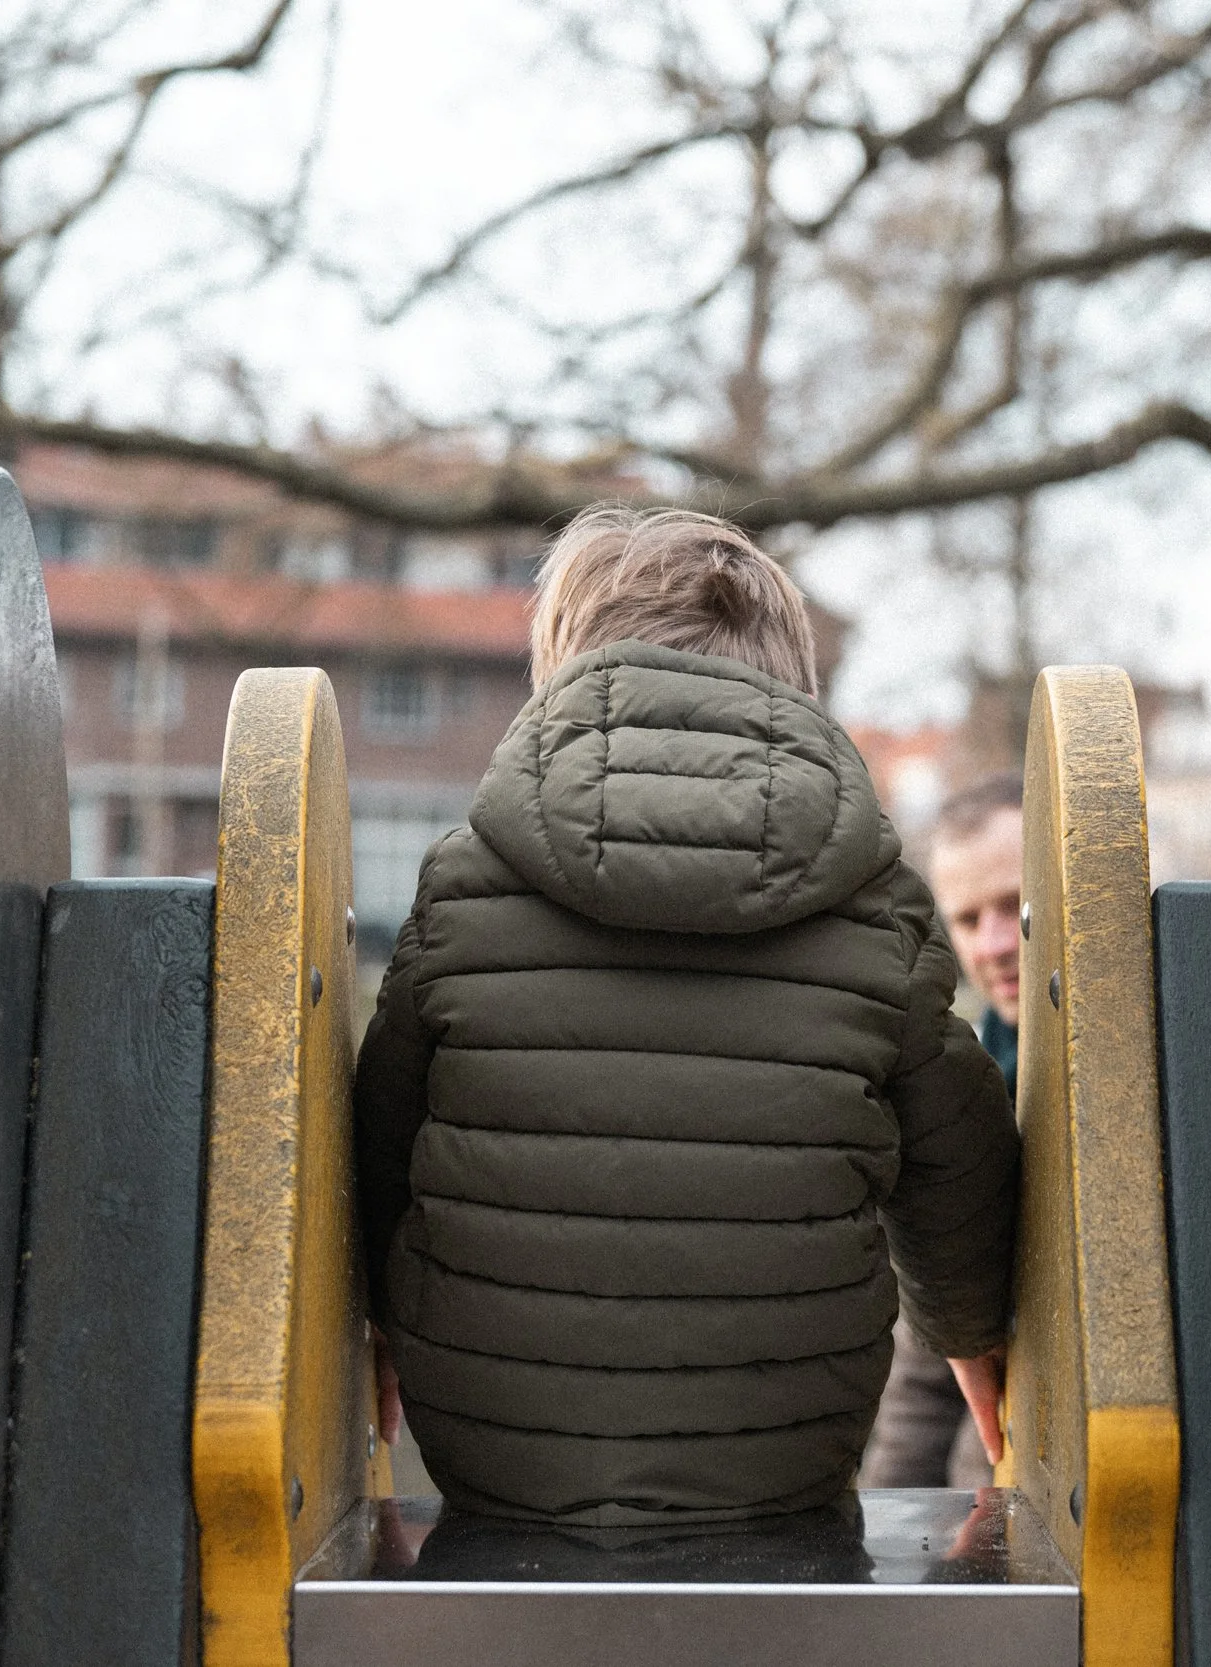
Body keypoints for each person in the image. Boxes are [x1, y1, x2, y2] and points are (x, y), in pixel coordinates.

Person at [353, 506, 1021, 1527]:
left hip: (495, 1446)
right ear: (789, 681)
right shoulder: (872, 899)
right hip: (786, 1455)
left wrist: (375, 1321)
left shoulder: (468, 884)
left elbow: (381, 1138)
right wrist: (972, 1334)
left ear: (562, 668)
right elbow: (958, 1165)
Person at [859, 772, 1023, 1490]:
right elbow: (925, 1379)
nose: (992, 944)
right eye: (967, 918)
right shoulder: (959, 1095)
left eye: (1016, 906)